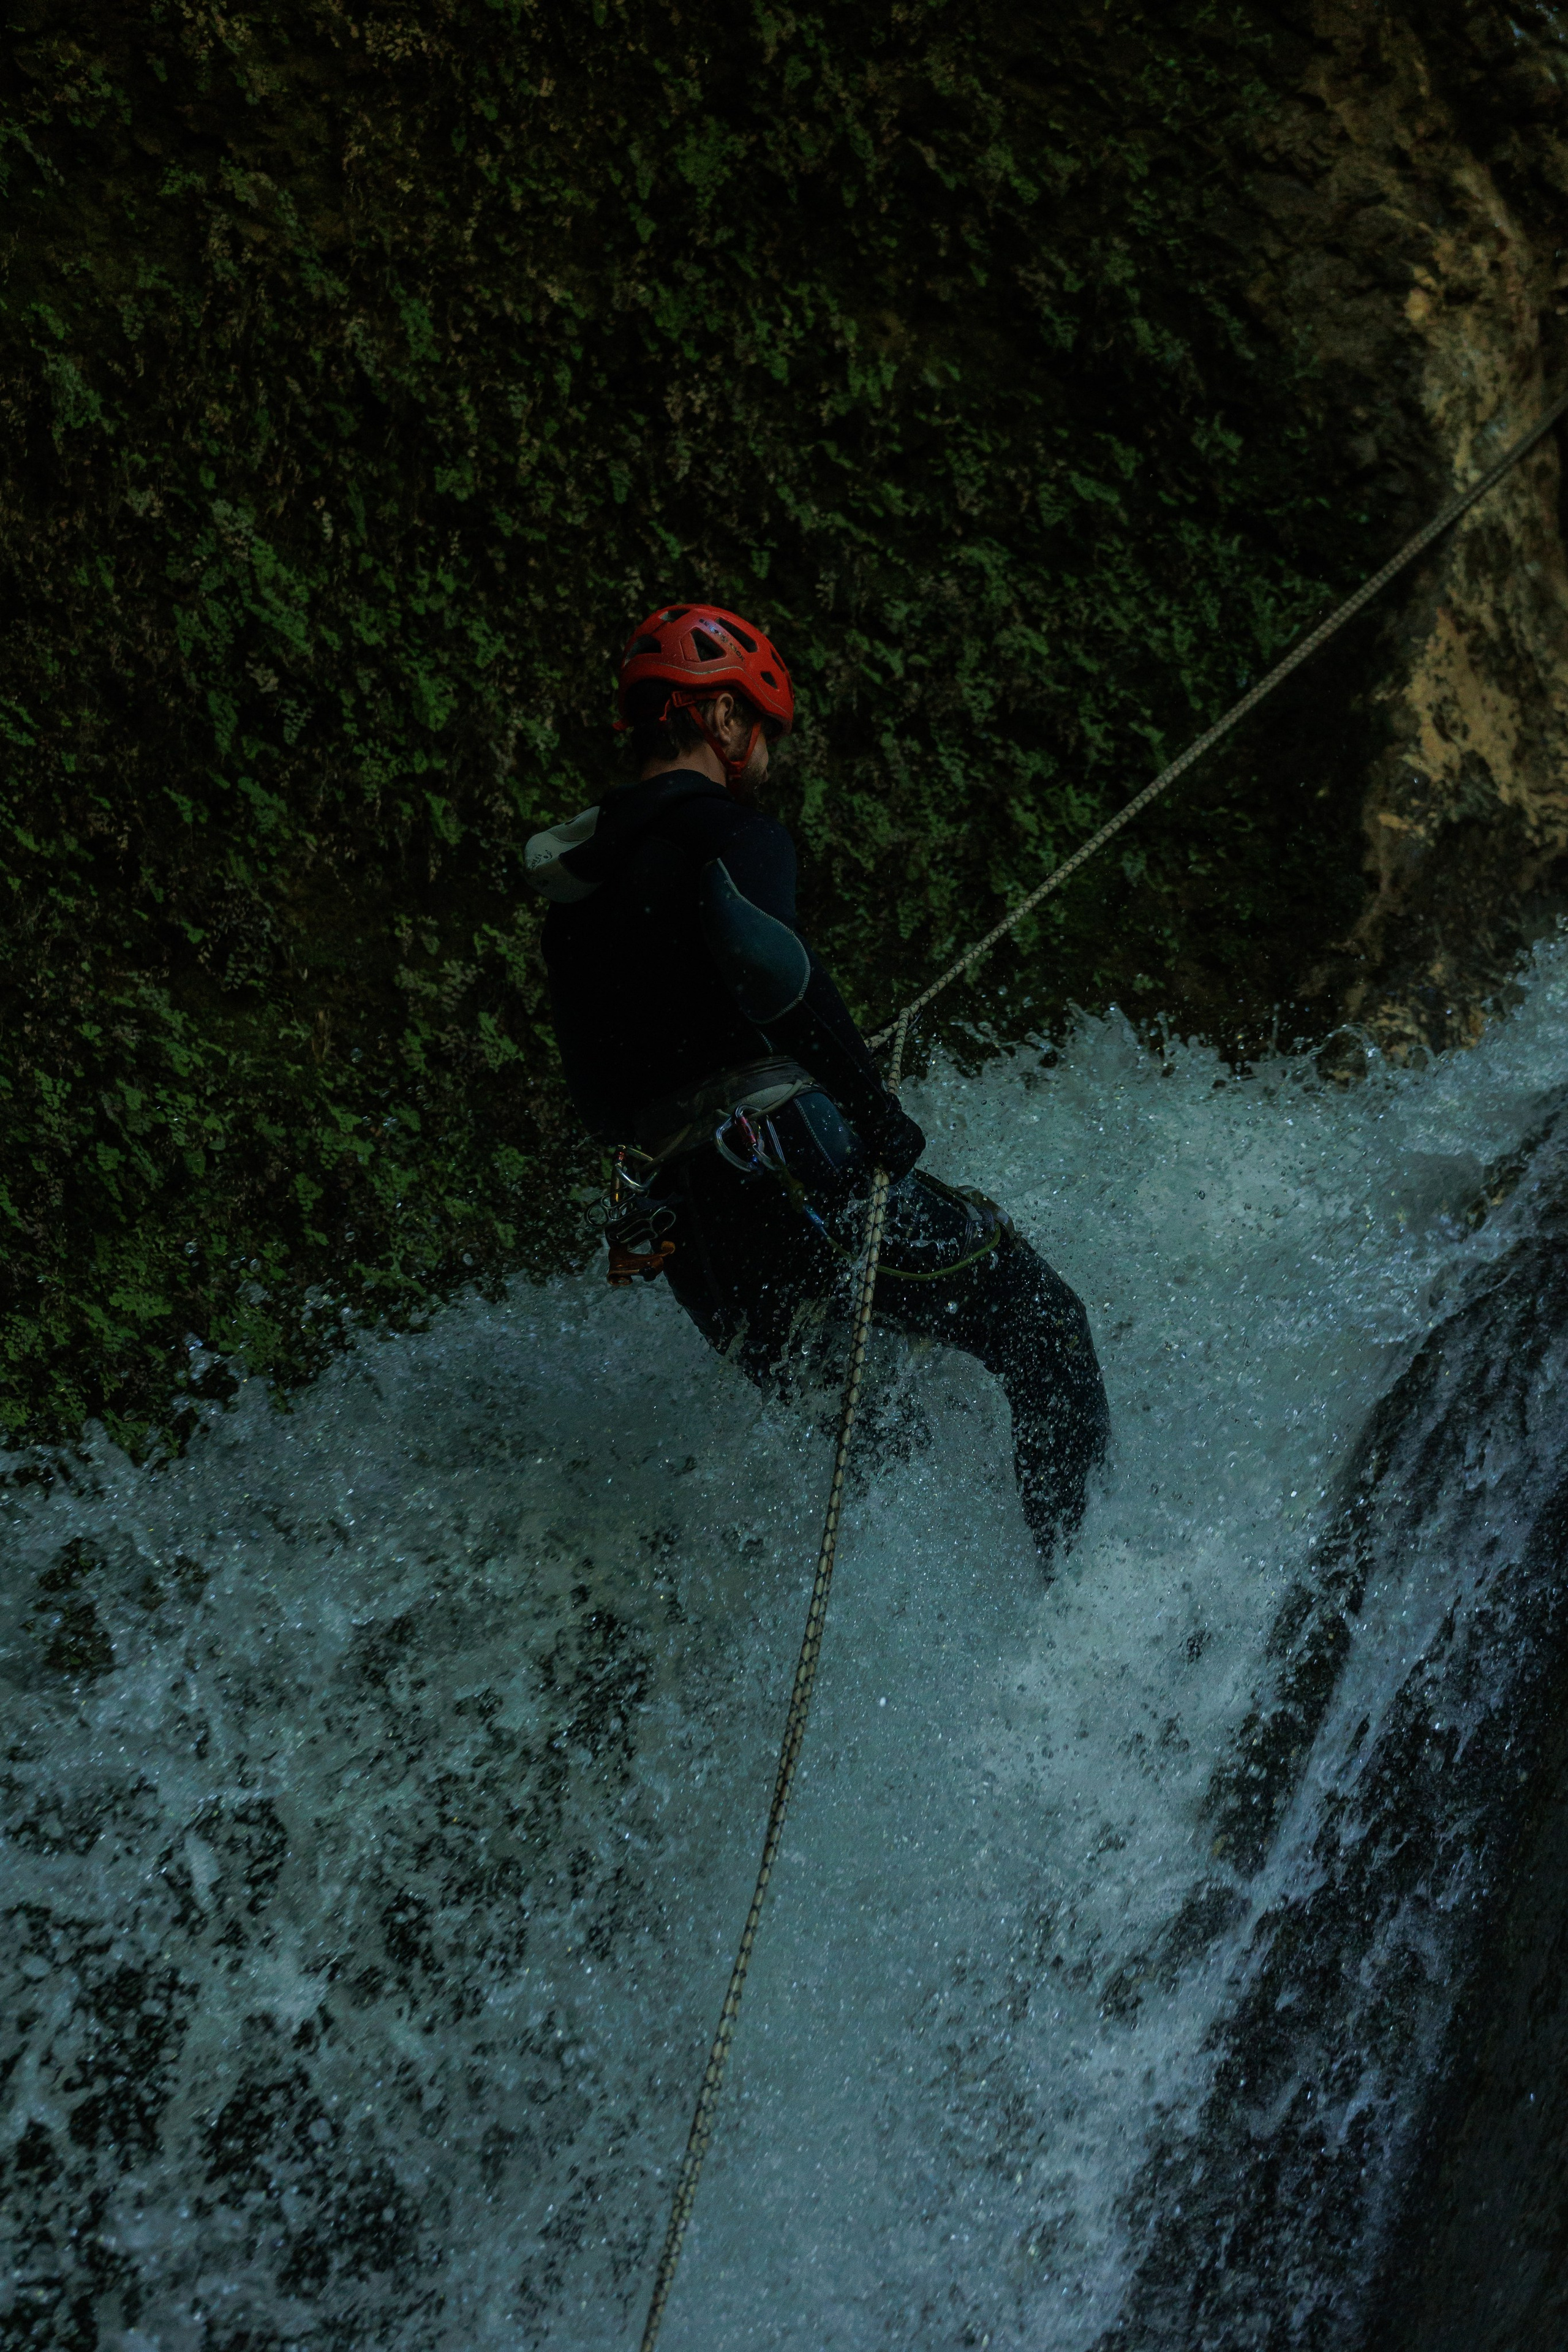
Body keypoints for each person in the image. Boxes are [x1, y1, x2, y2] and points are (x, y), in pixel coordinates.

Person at [527, 603, 1109, 1566]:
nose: (765, 752)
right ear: (717, 721)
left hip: (688, 1231)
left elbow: (596, 1096)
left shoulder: (574, 902)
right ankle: (1080, 1600)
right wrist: (879, 1116)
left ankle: (956, 1647)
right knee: (1047, 1330)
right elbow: (772, 971)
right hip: (792, 1166)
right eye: (757, 725)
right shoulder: (730, 831)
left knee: (882, 1444)